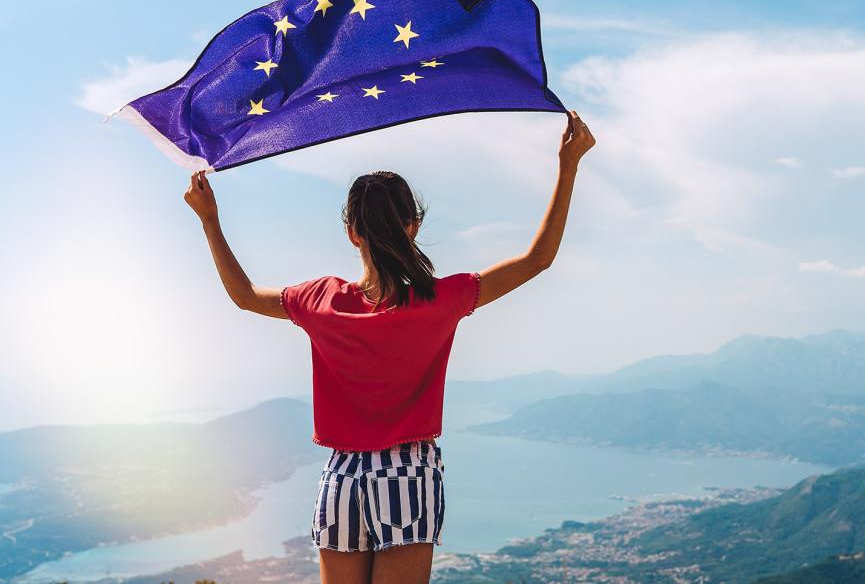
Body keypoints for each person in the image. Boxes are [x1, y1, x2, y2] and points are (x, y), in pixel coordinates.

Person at [183, 111, 595, 584]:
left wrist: (210, 220)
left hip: (340, 477)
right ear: (413, 226)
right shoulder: (440, 299)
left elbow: (244, 296)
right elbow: (537, 258)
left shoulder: (321, 301)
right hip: (408, 473)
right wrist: (568, 167)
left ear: (352, 232)